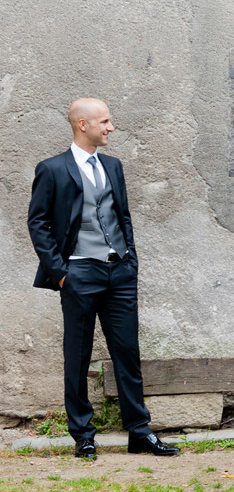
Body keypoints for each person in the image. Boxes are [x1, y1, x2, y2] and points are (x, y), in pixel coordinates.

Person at [27, 98, 180, 457]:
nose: (111, 127)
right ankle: (83, 435)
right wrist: (61, 274)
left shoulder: (113, 166)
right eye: (105, 121)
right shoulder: (52, 169)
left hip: (119, 272)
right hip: (79, 273)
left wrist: (131, 261)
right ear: (83, 124)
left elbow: (122, 216)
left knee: (127, 353)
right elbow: (37, 223)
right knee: (77, 357)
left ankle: (139, 432)